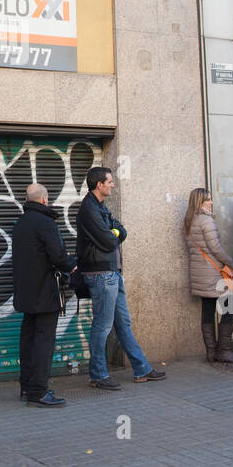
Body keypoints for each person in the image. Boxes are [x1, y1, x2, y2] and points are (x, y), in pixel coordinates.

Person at [76, 166, 166, 390]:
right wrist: (113, 233)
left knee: (123, 323)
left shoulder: (100, 207)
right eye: (110, 181)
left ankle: (142, 369)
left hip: (111, 272)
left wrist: (113, 232)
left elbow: (120, 231)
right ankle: (98, 374)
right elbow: (109, 240)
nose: (113, 185)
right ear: (100, 185)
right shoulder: (89, 209)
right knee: (102, 326)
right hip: (101, 274)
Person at [11, 184, 75, 407]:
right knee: (44, 342)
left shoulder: (20, 223)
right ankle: (39, 391)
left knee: (28, 340)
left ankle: (27, 386)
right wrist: (72, 265)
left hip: (25, 293)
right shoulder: (46, 223)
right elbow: (58, 256)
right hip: (45, 293)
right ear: (45, 200)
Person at [184, 187, 233, 364]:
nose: (211, 202)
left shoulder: (188, 220)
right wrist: (232, 262)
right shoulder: (206, 221)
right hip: (213, 273)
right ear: (200, 202)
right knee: (230, 307)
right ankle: (223, 351)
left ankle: (211, 352)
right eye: (208, 199)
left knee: (207, 311)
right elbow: (215, 248)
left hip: (199, 271)